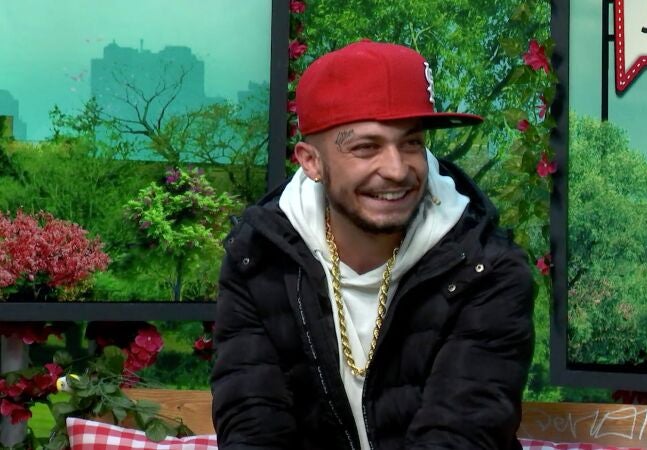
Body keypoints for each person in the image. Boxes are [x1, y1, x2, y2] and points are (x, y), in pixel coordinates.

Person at [211, 40, 534, 450]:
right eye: (366, 147)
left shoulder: (487, 269)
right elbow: (253, 428)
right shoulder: (257, 260)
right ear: (311, 161)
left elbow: (462, 434)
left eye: (411, 143)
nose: (396, 170)